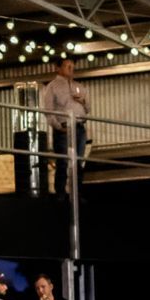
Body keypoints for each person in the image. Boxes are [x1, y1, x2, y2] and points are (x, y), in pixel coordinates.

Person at [40, 56, 88, 197]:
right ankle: (61, 194)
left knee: (78, 163)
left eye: (72, 66)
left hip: (79, 127)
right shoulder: (52, 87)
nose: (71, 69)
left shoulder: (79, 86)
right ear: (58, 68)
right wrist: (58, 127)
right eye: (68, 66)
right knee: (63, 162)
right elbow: (48, 111)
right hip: (64, 127)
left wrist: (83, 100)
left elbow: (88, 109)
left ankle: (76, 194)